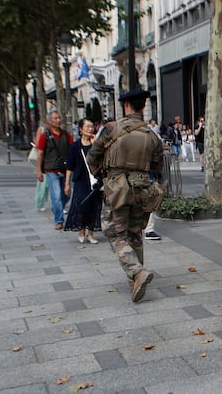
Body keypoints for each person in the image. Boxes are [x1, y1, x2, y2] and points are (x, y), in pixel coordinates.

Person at [87, 89, 164, 302]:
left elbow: (92, 157)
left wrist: (102, 175)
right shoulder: (151, 134)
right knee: (135, 233)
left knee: (113, 232)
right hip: (143, 188)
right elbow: (158, 165)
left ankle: (136, 271)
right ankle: (136, 279)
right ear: (142, 106)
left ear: (126, 105)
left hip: (117, 187)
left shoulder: (111, 129)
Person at [63, 118, 101, 244]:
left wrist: (95, 145)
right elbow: (70, 166)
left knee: (94, 206)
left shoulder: (95, 145)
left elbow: (101, 160)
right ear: (80, 129)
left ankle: (90, 233)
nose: (91, 129)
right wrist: (67, 183)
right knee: (81, 205)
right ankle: (81, 230)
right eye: (87, 126)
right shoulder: (75, 146)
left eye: (92, 126)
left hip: (95, 179)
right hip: (81, 179)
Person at [36, 111, 73, 230]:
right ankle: (59, 220)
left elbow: (72, 151)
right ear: (49, 121)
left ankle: (57, 207)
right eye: (55, 118)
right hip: (50, 170)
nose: (58, 120)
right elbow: (40, 154)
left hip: (65, 168)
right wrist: (38, 171)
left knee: (66, 195)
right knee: (56, 195)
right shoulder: (45, 136)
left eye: (59, 117)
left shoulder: (66, 135)